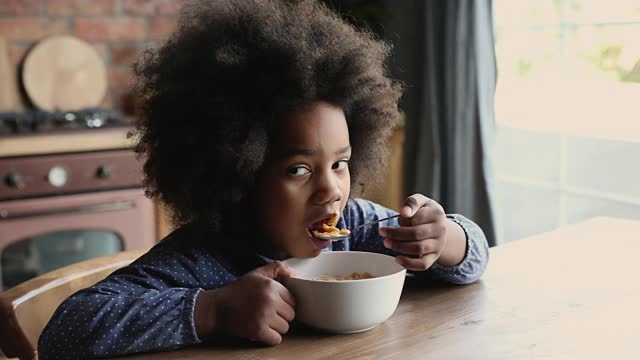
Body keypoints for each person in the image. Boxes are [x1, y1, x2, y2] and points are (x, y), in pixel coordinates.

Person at [38, 0, 490, 358]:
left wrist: (444, 237)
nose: (331, 190)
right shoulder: (199, 261)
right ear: (238, 171)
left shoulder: (361, 230)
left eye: (340, 163)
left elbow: (476, 258)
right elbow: (64, 332)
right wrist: (212, 311)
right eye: (298, 170)